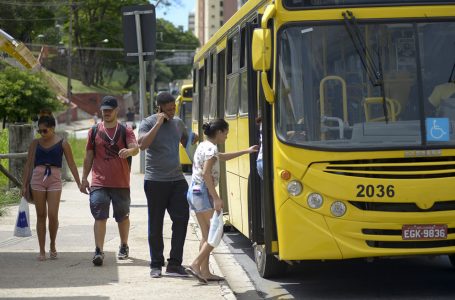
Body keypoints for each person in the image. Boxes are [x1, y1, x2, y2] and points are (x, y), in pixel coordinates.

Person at [185, 119, 258, 284]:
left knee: (206, 234)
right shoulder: (211, 148)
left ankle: (205, 272)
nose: (226, 136)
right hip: (204, 192)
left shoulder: (204, 146)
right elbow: (206, 173)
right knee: (216, 233)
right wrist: (216, 198)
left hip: (194, 191)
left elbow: (221, 157)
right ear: (219, 132)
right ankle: (196, 264)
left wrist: (246, 151)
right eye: (226, 133)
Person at [138, 92, 194, 278]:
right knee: (156, 223)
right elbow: (142, 145)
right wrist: (158, 124)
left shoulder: (178, 123)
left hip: (177, 180)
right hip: (155, 181)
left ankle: (175, 263)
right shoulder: (148, 122)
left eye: (173, 108)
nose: (172, 111)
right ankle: (155, 263)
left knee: (182, 219)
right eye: (168, 109)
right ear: (159, 107)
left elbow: (187, 142)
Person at [79, 96, 139, 266]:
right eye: (104, 110)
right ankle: (98, 250)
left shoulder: (125, 130)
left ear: (116, 110)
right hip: (99, 182)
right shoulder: (94, 131)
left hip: (121, 182)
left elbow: (135, 148)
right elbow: (88, 156)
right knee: (100, 215)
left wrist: (129, 151)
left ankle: (124, 244)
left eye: (109, 110)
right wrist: (84, 178)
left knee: (122, 216)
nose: (106, 113)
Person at [22, 115, 81, 261]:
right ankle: (42, 250)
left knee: (53, 215)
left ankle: (53, 245)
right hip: (38, 178)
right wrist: (24, 185)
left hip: (54, 178)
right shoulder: (35, 144)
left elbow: (72, 164)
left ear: (53, 128)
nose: (42, 134)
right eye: (39, 131)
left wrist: (79, 183)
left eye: (44, 131)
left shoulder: (63, 143)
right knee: (41, 215)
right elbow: (28, 164)